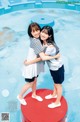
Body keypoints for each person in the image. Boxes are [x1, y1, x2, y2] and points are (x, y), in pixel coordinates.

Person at [17, 23, 60, 105]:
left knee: (35, 80)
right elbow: (42, 57)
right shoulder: (36, 42)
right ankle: (20, 96)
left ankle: (34, 94)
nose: (36, 33)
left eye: (37, 30)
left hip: (34, 65)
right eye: (33, 31)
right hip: (31, 66)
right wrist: (55, 55)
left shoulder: (37, 39)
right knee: (30, 83)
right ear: (30, 33)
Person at [25, 26, 64, 108]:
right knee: (55, 82)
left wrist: (28, 62)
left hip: (57, 67)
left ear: (49, 36)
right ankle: (54, 95)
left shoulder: (50, 47)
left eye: (46, 33)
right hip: (53, 67)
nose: (42, 34)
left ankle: (57, 102)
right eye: (42, 31)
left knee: (58, 85)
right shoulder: (44, 43)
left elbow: (43, 57)